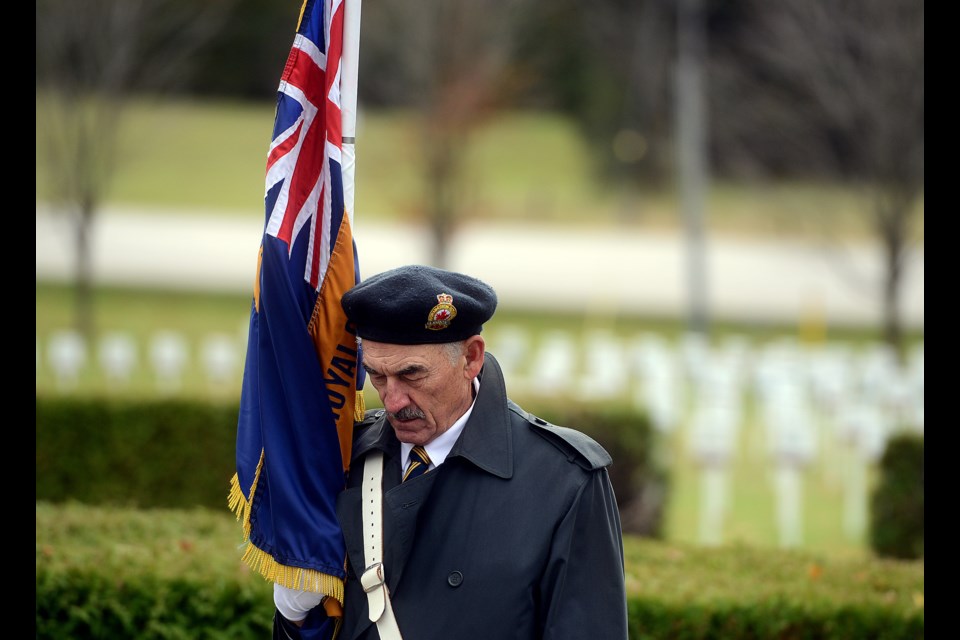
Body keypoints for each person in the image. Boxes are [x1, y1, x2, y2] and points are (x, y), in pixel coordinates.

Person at [273, 264, 629, 640]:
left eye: (411, 374)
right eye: (377, 375)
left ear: (471, 358)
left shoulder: (563, 481)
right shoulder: (343, 459)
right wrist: (293, 619)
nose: (392, 401)